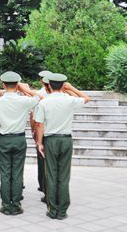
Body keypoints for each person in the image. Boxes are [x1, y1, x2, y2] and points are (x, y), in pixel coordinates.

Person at [34, 73, 91, 220]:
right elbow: (86, 98)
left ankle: (53, 209)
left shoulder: (44, 102)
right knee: (64, 176)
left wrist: (39, 143)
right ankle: (62, 210)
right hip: (66, 140)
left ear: (50, 85)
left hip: (50, 140)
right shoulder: (70, 100)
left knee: (51, 175)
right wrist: (72, 88)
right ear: (63, 85)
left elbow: (39, 124)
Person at [0, 71, 41, 215]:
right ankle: (16, 204)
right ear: (17, 85)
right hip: (19, 139)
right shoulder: (24, 100)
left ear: (3, 84)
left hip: (4, 139)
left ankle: (6, 204)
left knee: (5, 173)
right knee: (17, 173)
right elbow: (39, 97)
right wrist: (25, 89)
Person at [33, 70, 52, 199]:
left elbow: (35, 117)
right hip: (56, 134)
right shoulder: (64, 95)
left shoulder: (39, 95)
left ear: (41, 81)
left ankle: (43, 185)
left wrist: (34, 131)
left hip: (43, 133)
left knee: (42, 162)